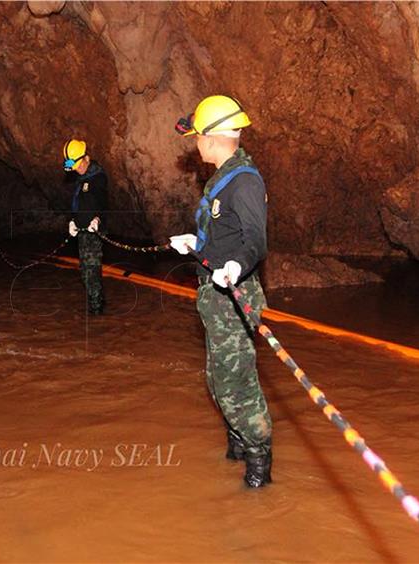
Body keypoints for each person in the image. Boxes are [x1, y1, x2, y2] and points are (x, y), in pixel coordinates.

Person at [169, 95, 272, 488]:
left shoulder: (243, 181)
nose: (195, 144)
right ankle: (239, 442)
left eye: (197, 136)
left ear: (212, 138)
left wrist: (236, 266)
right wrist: (196, 243)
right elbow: (224, 233)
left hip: (236, 297)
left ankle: (259, 460)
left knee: (237, 383)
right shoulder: (224, 176)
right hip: (216, 297)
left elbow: (254, 242)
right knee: (217, 377)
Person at [64, 138, 108, 315]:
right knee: (84, 271)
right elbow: (78, 203)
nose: (78, 170)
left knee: (92, 272)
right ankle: (95, 304)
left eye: (79, 165)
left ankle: (97, 311)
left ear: (87, 158)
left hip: (94, 232)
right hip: (82, 232)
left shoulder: (98, 177)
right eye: (75, 168)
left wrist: (97, 219)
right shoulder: (81, 179)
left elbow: (104, 204)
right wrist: (72, 220)